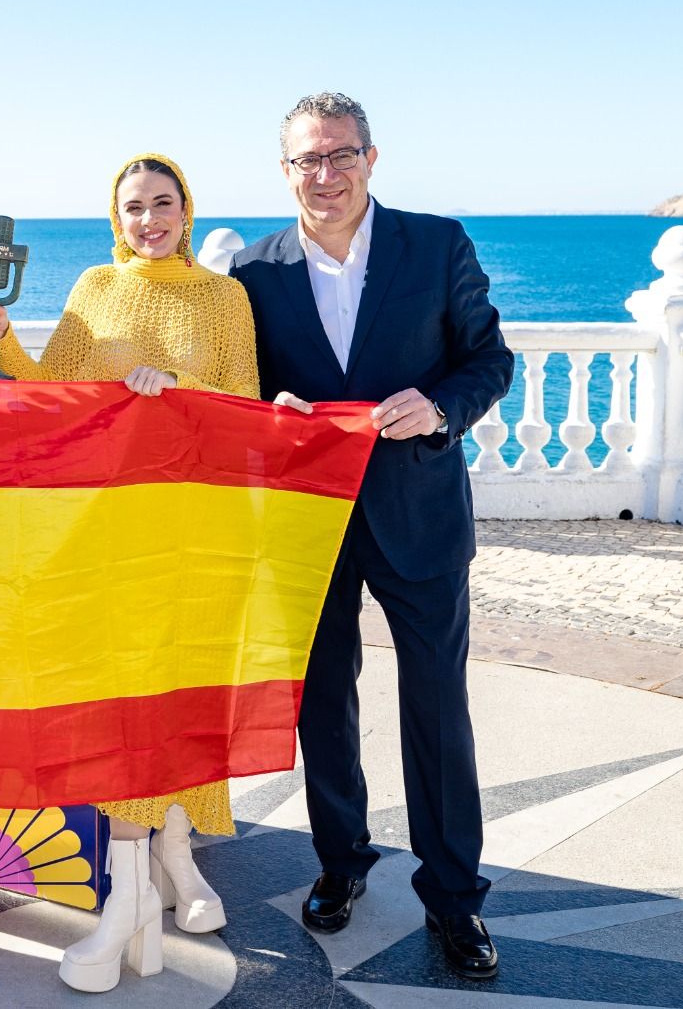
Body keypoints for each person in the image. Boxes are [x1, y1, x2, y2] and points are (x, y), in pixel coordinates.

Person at [228, 93, 513, 979]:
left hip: (420, 512)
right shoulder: (253, 272)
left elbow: (490, 359)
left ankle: (455, 897)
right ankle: (339, 862)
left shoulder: (437, 245)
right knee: (323, 700)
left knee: (436, 708)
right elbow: (245, 391)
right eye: (307, 161)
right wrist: (268, 412)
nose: (325, 175)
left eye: (340, 155)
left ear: (371, 157)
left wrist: (440, 407)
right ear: (285, 171)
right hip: (307, 517)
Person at [0, 153, 257, 993]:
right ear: (115, 215)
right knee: (125, 692)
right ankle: (146, 878)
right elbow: (51, 385)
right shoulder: (95, 286)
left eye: (163, 204)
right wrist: (2, 342)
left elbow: (244, 396)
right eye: (134, 207)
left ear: (187, 210)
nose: (148, 220)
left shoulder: (224, 297)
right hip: (110, 521)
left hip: (196, 518)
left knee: (179, 685)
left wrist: (178, 380)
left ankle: (161, 860)